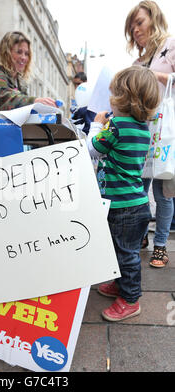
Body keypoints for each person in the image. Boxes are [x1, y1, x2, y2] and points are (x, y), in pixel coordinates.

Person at [87, 65, 160, 321]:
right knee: (121, 250)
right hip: (134, 203)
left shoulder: (116, 126)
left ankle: (130, 299)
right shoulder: (142, 127)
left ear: (123, 97)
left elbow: (92, 149)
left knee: (126, 255)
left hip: (122, 206)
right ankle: (121, 286)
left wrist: (96, 125)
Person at [125, 0, 175, 268]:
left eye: (139, 22)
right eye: (132, 26)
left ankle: (160, 246)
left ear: (154, 20)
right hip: (141, 130)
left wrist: (156, 75)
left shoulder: (171, 46)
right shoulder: (137, 60)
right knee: (138, 189)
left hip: (166, 131)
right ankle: (141, 236)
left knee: (163, 190)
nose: (135, 30)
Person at [0, 31, 57, 111]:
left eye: (26, 54)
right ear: (6, 53)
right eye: (19, 52)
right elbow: (6, 99)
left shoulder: (20, 81)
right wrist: (35, 101)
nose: (23, 57)